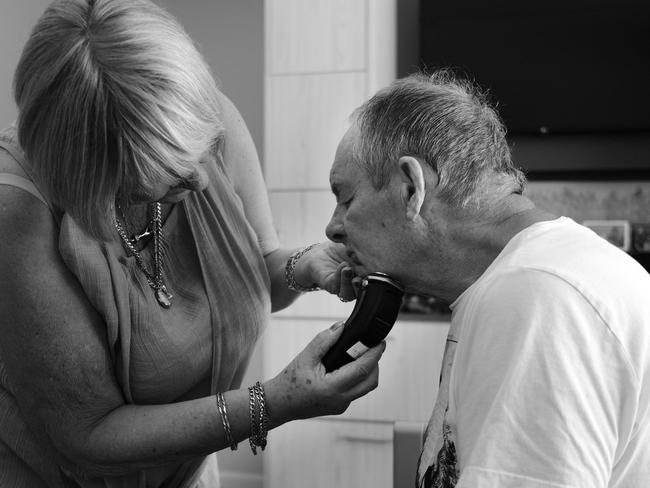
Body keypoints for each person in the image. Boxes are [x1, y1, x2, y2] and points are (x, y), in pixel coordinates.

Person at [0, 0, 384, 486]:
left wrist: (309, 266)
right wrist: (275, 402)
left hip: (187, 468)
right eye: (173, 171)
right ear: (95, 172)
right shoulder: (18, 212)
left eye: (203, 149)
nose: (204, 179)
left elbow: (259, 264)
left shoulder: (200, 118)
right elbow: (87, 435)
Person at [325, 70, 650, 488]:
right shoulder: (528, 278)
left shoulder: (537, 298)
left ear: (411, 188)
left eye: (346, 198)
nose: (333, 229)